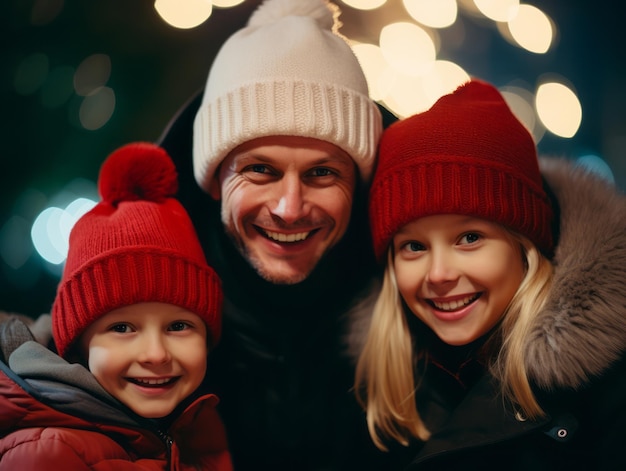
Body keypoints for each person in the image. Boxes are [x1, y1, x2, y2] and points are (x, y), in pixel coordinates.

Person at [155, 0, 402, 469]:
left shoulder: (414, 320)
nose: (290, 209)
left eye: (322, 174)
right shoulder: (138, 324)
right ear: (213, 180)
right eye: (260, 170)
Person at [354, 79, 626, 469]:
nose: (440, 274)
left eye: (469, 237)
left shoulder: (609, 392)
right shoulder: (376, 383)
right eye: (413, 246)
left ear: (524, 246)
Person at [0, 142, 232, 470]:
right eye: (122, 328)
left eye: (178, 326)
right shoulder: (50, 456)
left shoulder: (196, 428)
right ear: (79, 346)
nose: (156, 354)